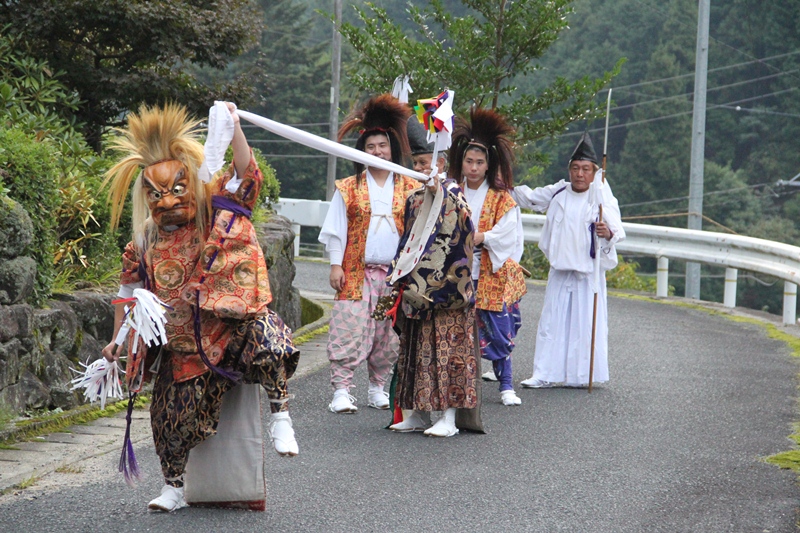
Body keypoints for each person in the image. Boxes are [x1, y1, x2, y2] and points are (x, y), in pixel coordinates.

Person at [102, 102, 299, 512]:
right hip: (181, 347)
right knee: (169, 421)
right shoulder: (142, 244)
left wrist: (236, 127)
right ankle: (174, 487)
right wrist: (116, 341)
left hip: (226, 332)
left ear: (190, 184)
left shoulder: (214, 216)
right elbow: (126, 293)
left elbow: (245, 175)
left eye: (176, 188)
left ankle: (281, 414)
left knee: (268, 334)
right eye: (155, 194)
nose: (167, 200)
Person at [318, 94, 420, 414]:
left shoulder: (409, 186)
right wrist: (336, 265)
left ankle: (378, 386)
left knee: (387, 335)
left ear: (392, 148)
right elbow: (336, 228)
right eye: (370, 147)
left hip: (393, 276)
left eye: (382, 145)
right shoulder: (348, 187)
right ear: (362, 151)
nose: (377, 151)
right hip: (355, 274)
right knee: (349, 328)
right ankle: (342, 389)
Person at [384, 115, 481, 438]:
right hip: (418, 290)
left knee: (449, 355)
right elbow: (406, 243)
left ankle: (449, 417)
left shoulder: (455, 196)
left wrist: (442, 194)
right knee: (416, 353)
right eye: (418, 163)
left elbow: (464, 235)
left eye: (429, 162)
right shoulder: (413, 200)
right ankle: (417, 412)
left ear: (442, 163)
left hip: (448, 291)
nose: (423, 169)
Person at [513, 132, 624, 388]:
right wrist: (500, 181)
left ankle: (583, 375)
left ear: (594, 172)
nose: (580, 174)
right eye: (575, 168)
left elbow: (616, 230)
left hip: (589, 274)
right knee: (551, 323)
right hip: (560, 271)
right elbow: (528, 197)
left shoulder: (601, 197)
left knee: (585, 326)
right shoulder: (559, 192)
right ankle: (544, 374)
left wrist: (607, 233)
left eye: (586, 169)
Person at [450, 108, 527, 406]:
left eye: (479, 162)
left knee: (498, 330)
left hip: (490, 271)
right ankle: (462, 384)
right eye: (469, 161)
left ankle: (506, 384)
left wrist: (483, 238)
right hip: (458, 272)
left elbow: (508, 233)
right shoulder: (452, 191)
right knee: (459, 330)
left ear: (488, 164)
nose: (473, 167)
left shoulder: (501, 197)